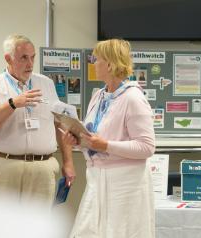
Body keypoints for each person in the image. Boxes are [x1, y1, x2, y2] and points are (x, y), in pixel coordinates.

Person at [63, 39, 155, 237]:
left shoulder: (133, 98)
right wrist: (78, 141)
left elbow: (146, 147)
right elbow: (94, 138)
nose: (93, 63)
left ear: (110, 64)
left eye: (97, 59)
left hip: (125, 185)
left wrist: (106, 145)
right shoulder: (99, 96)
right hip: (97, 179)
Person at [0, 34, 75, 208]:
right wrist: (13, 104)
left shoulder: (46, 84)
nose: (30, 64)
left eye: (32, 57)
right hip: (4, 168)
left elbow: (59, 124)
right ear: (8, 58)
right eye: (24, 58)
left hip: (42, 169)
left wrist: (68, 162)